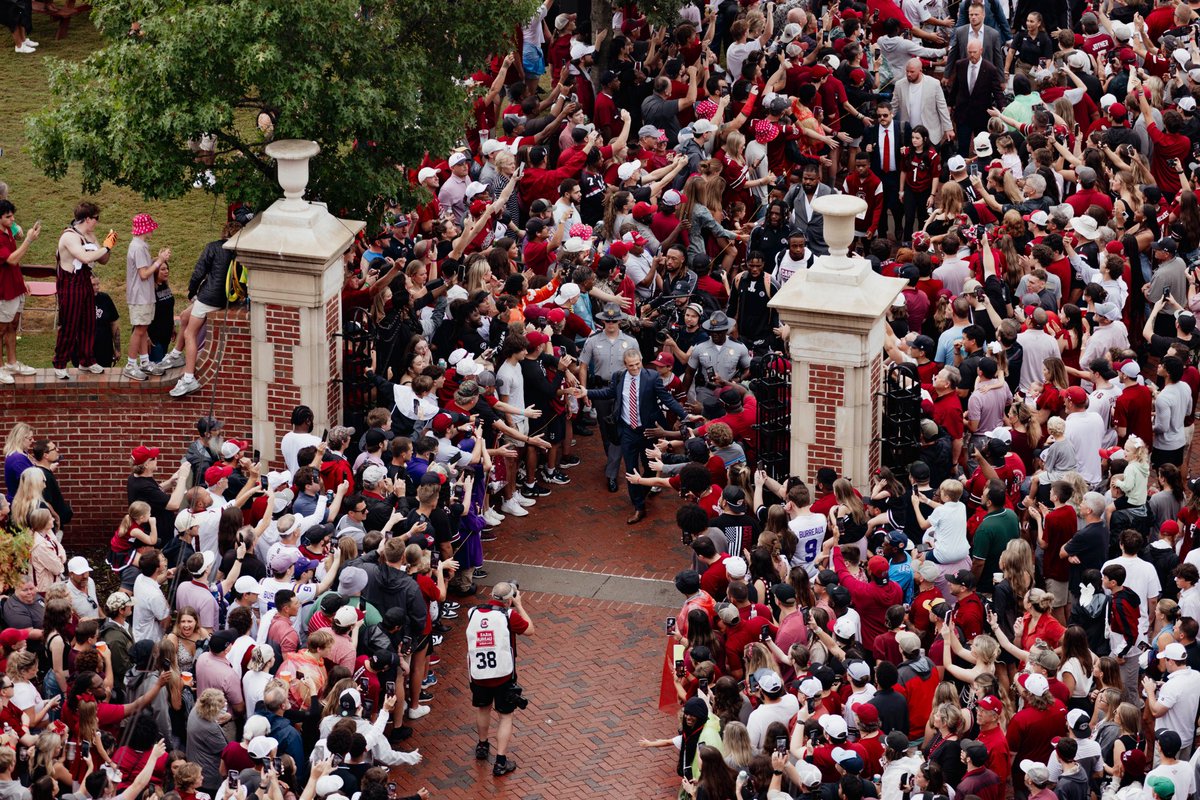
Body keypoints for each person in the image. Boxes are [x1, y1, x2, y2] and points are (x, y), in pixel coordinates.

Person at [586, 348, 689, 524]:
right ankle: (639, 507)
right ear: (625, 365)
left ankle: (642, 489)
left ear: (641, 361)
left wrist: (685, 416)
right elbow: (608, 393)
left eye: (637, 364)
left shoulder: (652, 377)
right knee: (630, 469)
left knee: (650, 465)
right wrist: (587, 392)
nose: (635, 368)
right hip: (627, 431)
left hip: (648, 430)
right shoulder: (619, 377)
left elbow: (667, 399)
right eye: (631, 366)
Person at [466, 581, 533, 777]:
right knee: (505, 716)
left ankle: (482, 744)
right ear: (509, 599)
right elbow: (530, 629)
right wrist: (519, 605)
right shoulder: (509, 615)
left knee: (483, 708)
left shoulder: (472, 612)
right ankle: (500, 761)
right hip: (503, 675)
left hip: (478, 674)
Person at [52, 201, 114, 380]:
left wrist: (107, 245)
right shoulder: (69, 236)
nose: (97, 222)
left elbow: (103, 260)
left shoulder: (90, 235)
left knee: (89, 323)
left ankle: (86, 360)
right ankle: (60, 362)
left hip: (85, 281)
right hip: (70, 283)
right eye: (96, 219)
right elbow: (85, 257)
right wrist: (106, 247)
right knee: (70, 324)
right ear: (87, 219)